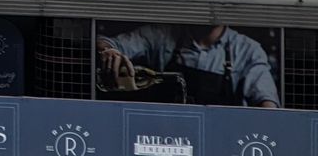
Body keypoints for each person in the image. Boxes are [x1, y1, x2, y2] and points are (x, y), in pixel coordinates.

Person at [96, 24, 280, 107]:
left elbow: (268, 106)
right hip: (164, 134)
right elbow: (108, 42)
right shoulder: (162, 35)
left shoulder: (248, 50)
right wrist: (109, 51)